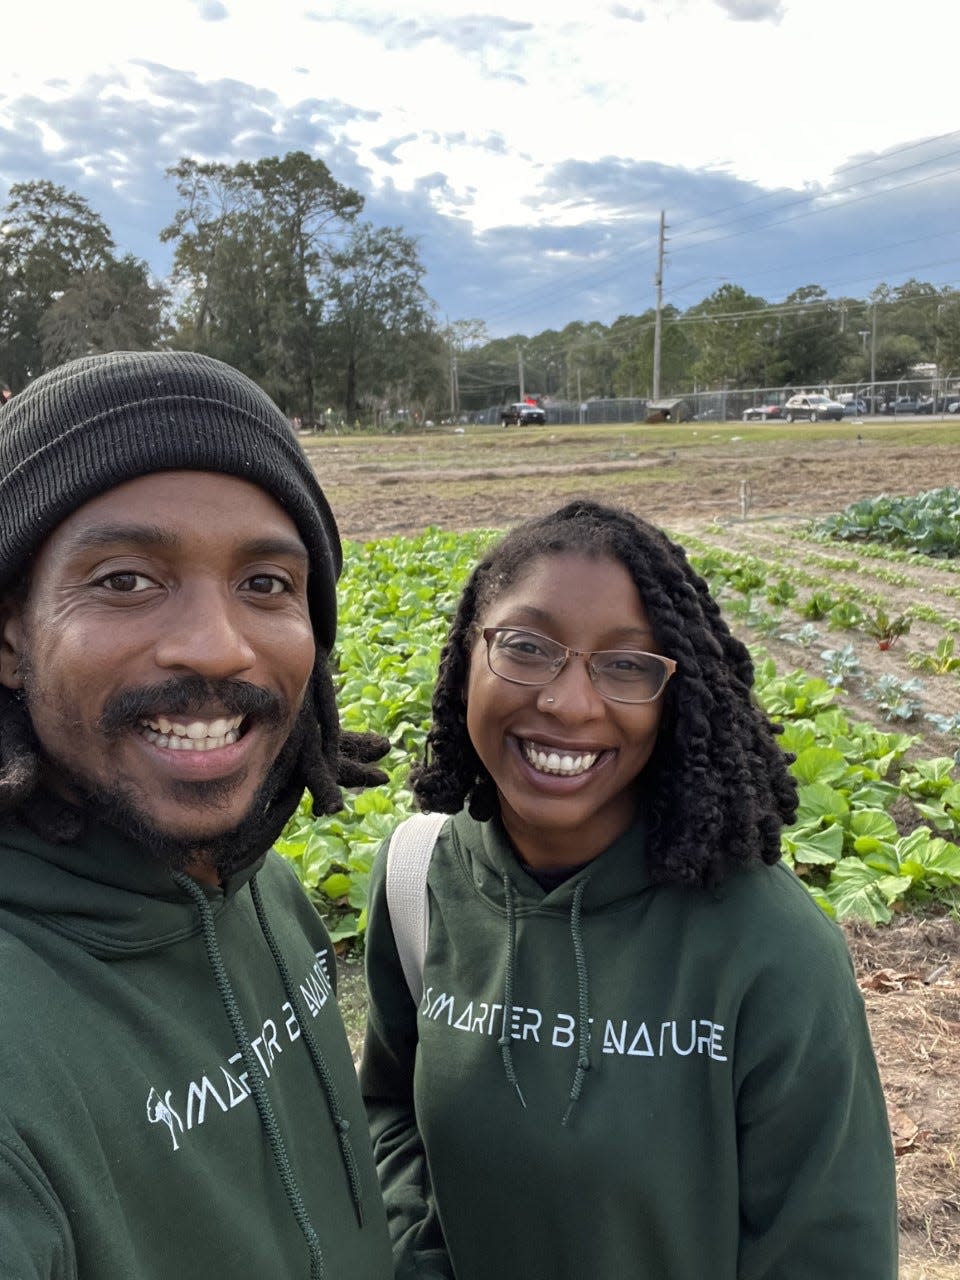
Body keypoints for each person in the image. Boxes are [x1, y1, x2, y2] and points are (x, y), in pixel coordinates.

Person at [361, 499, 898, 1280]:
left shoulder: (769, 946)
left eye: (626, 665)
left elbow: (827, 1249)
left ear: (674, 696)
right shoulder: (415, 880)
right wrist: (417, 1255)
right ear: (466, 653)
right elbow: (390, 1111)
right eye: (526, 646)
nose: (569, 702)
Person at [0, 351, 395, 1279]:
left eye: (265, 585)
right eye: (127, 579)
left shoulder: (265, 890)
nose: (217, 648)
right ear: (10, 637)